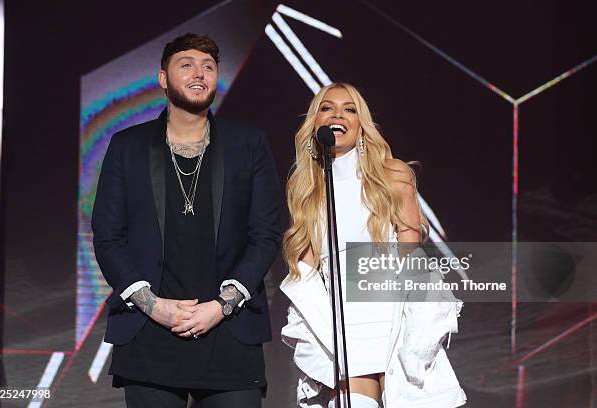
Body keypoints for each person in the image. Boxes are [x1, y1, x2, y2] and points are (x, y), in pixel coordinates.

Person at [91, 33, 282, 408]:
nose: (199, 73)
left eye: (209, 67)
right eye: (187, 65)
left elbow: (266, 234)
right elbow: (109, 237)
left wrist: (222, 305)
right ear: (163, 78)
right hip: (150, 332)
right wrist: (153, 305)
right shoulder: (127, 146)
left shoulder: (249, 144)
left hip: (229, 331)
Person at [280, 83, 466, 407]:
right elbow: (307, 267)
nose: (338, 115)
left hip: (391, 310)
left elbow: (410, 250)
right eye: (327, 108)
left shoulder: (393, 175)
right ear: (315, 122)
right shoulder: (306, 187)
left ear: (360, 122)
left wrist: (417, 317)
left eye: (349, 109)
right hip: (342, 319)